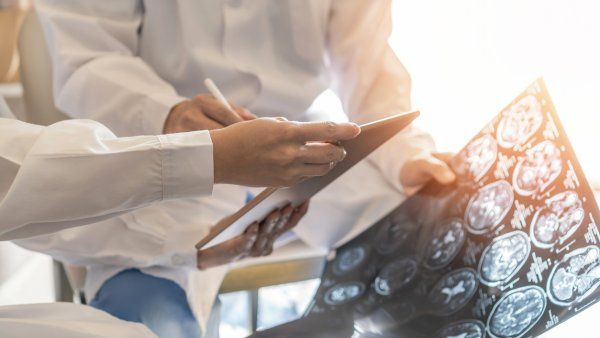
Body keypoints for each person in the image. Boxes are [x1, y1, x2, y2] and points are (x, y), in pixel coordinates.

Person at [23, 1, 457, 337]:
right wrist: (172, 116)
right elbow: (87, 59)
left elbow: (370, 63)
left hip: (307, 145)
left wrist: (406, 154)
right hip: (160, 143)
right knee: (148, 311)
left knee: (434, 255)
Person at [0, 96, 359, 336]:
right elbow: (24, 181)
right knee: (148, 313)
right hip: (141, 162)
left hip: (280, 172)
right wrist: (198, 145)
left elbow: (19, 194)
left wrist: (189, 247)